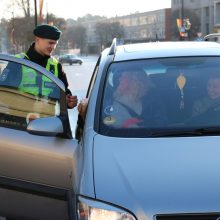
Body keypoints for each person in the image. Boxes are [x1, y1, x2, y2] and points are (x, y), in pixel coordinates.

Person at [4, 24, 77, 109]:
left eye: (55, 44)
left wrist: (68, 101)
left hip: (49, 121)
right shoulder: (18, 62)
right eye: (50, 43)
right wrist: (31, 105)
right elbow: (5, 94)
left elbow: (63, 91)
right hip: (21, 120)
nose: (53, 47)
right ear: (37, 40)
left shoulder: (56, 65)